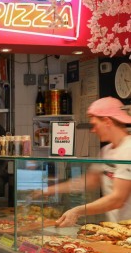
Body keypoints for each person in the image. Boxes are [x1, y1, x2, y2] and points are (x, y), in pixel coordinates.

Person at [40, 97, 131, 227]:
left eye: (94, 125)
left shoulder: (129, 149)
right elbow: (89, 181)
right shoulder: (106, 150)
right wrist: (48, 190)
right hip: (119, 228)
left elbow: (117, 199)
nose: (92, 130)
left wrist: (78, 211)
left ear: (107, 121)